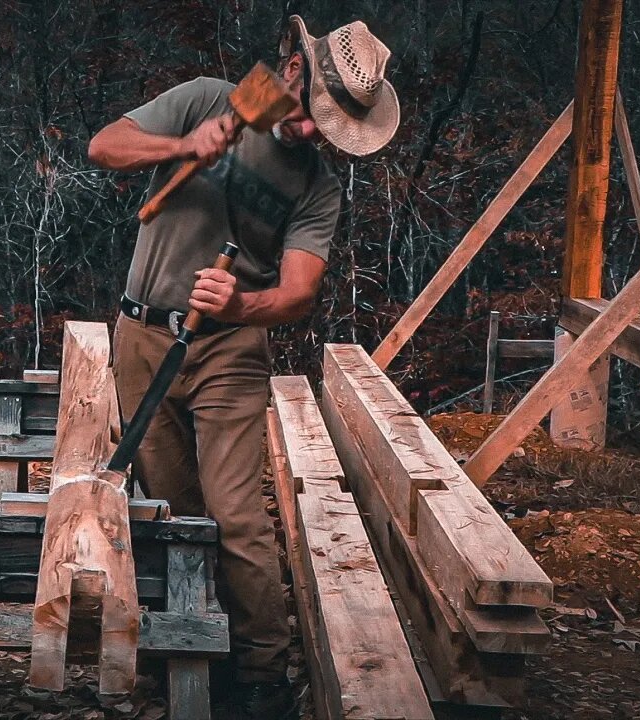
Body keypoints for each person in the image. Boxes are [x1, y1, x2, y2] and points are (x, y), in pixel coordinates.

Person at [87, 16, 400, 719]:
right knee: (168, 506)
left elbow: (296, 292)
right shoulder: (209, 99)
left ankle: (260, 677)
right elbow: (104, 145)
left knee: (233, 516)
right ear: (292, 68)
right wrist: (181, 145)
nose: (315, 133)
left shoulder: (318, 187)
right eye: (315, 112)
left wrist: (239, 302)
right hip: (141, 332)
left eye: (334, 126)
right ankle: (178, 656)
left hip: (228, 350)